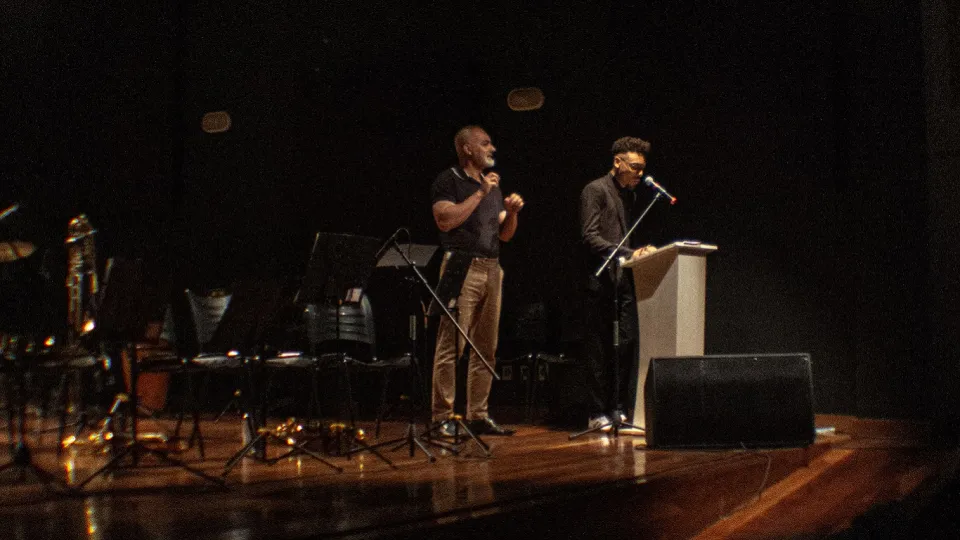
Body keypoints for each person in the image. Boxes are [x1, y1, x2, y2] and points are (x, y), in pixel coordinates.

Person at [430, 125, 524, 436]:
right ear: (468, 149)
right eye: (485, 143)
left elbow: (504, 234)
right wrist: (480, 192)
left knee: (486, 347)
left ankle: (478, 415)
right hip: (461, 266)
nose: (492, 148)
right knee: (452, 344)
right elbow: (445, 220)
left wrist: (511, 213)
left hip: (492, 268)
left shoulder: (493, 188)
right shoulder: (449, 181)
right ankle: (442, 416)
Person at [579, 136, 658, 431]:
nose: (640, 173)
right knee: (600, 346)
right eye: (635, 167)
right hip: (600, 279)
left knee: (624, 343)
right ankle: (597, 411)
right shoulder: (595, 190)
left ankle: (618, 408)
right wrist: (628, 252)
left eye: (642, 168)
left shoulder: (629, 195)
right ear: (618, 162)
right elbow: (590, 236)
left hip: (622, 279)